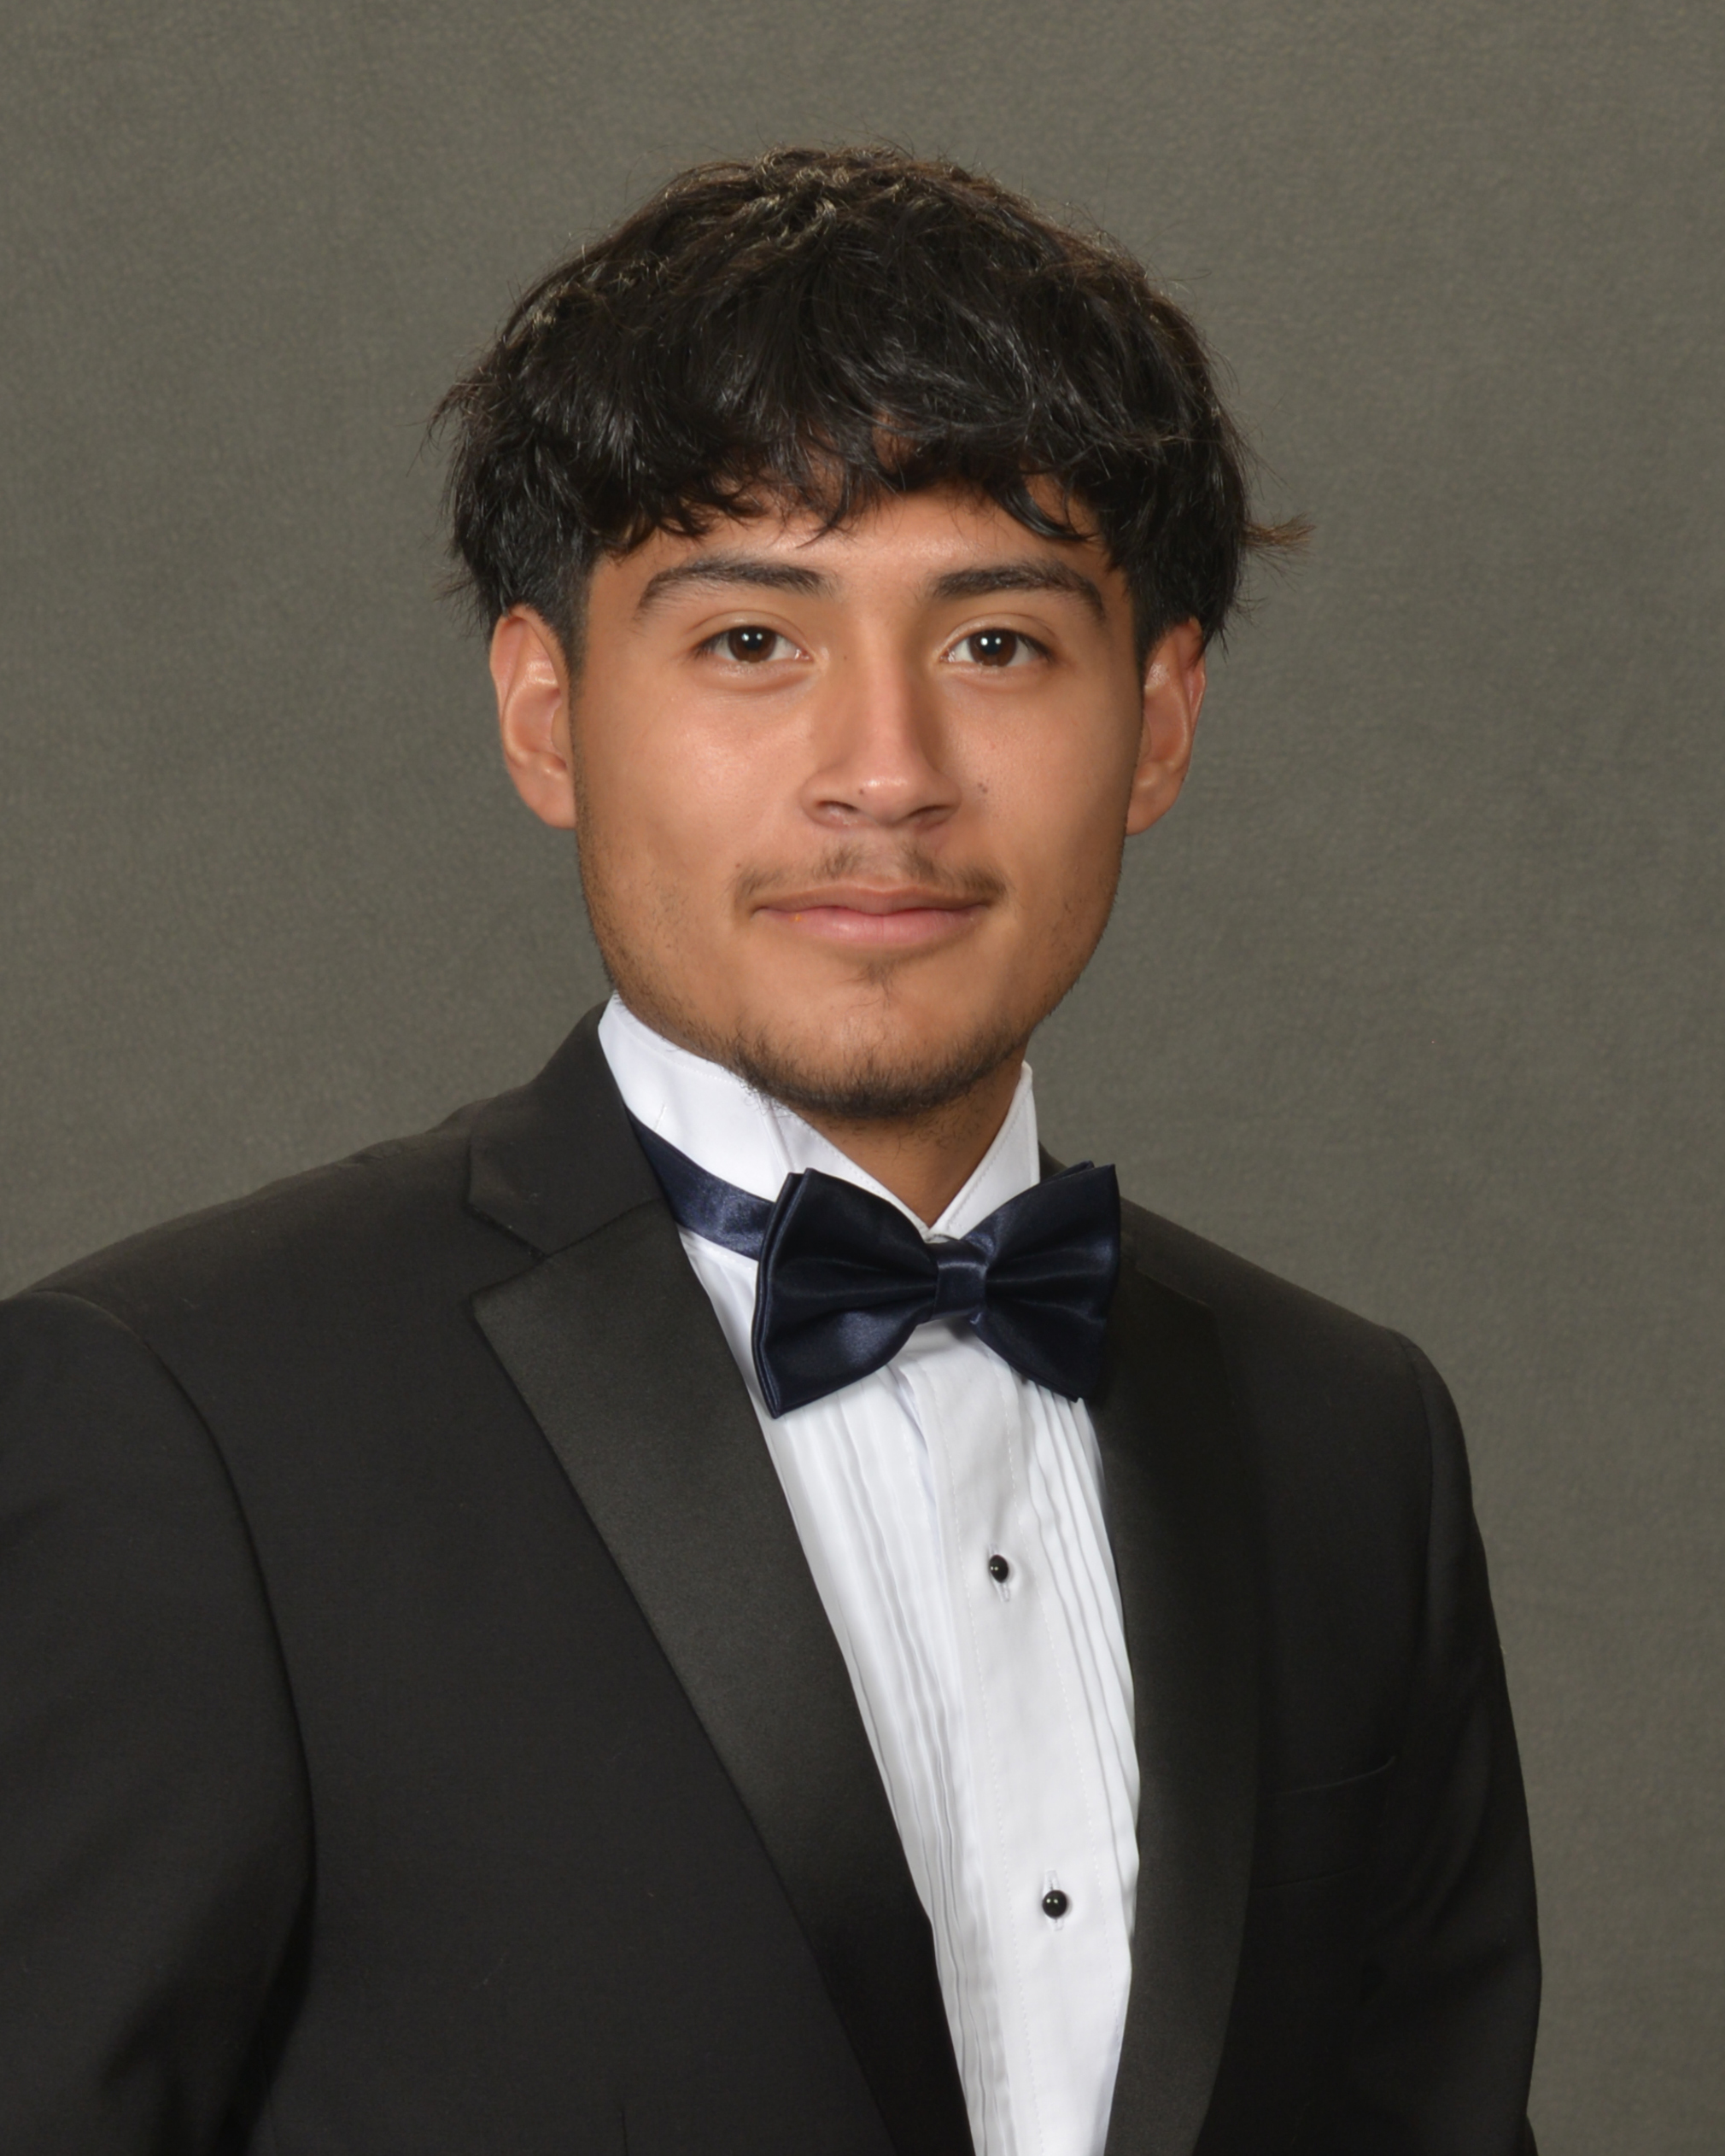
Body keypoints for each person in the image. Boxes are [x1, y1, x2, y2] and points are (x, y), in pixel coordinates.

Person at [0, 148, 1539, 2155]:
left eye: (994, 645)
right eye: (749, 643)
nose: (883, 774)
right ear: (544, 715)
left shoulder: (1348, 1442)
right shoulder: (186, 1418)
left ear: (1157, 722)